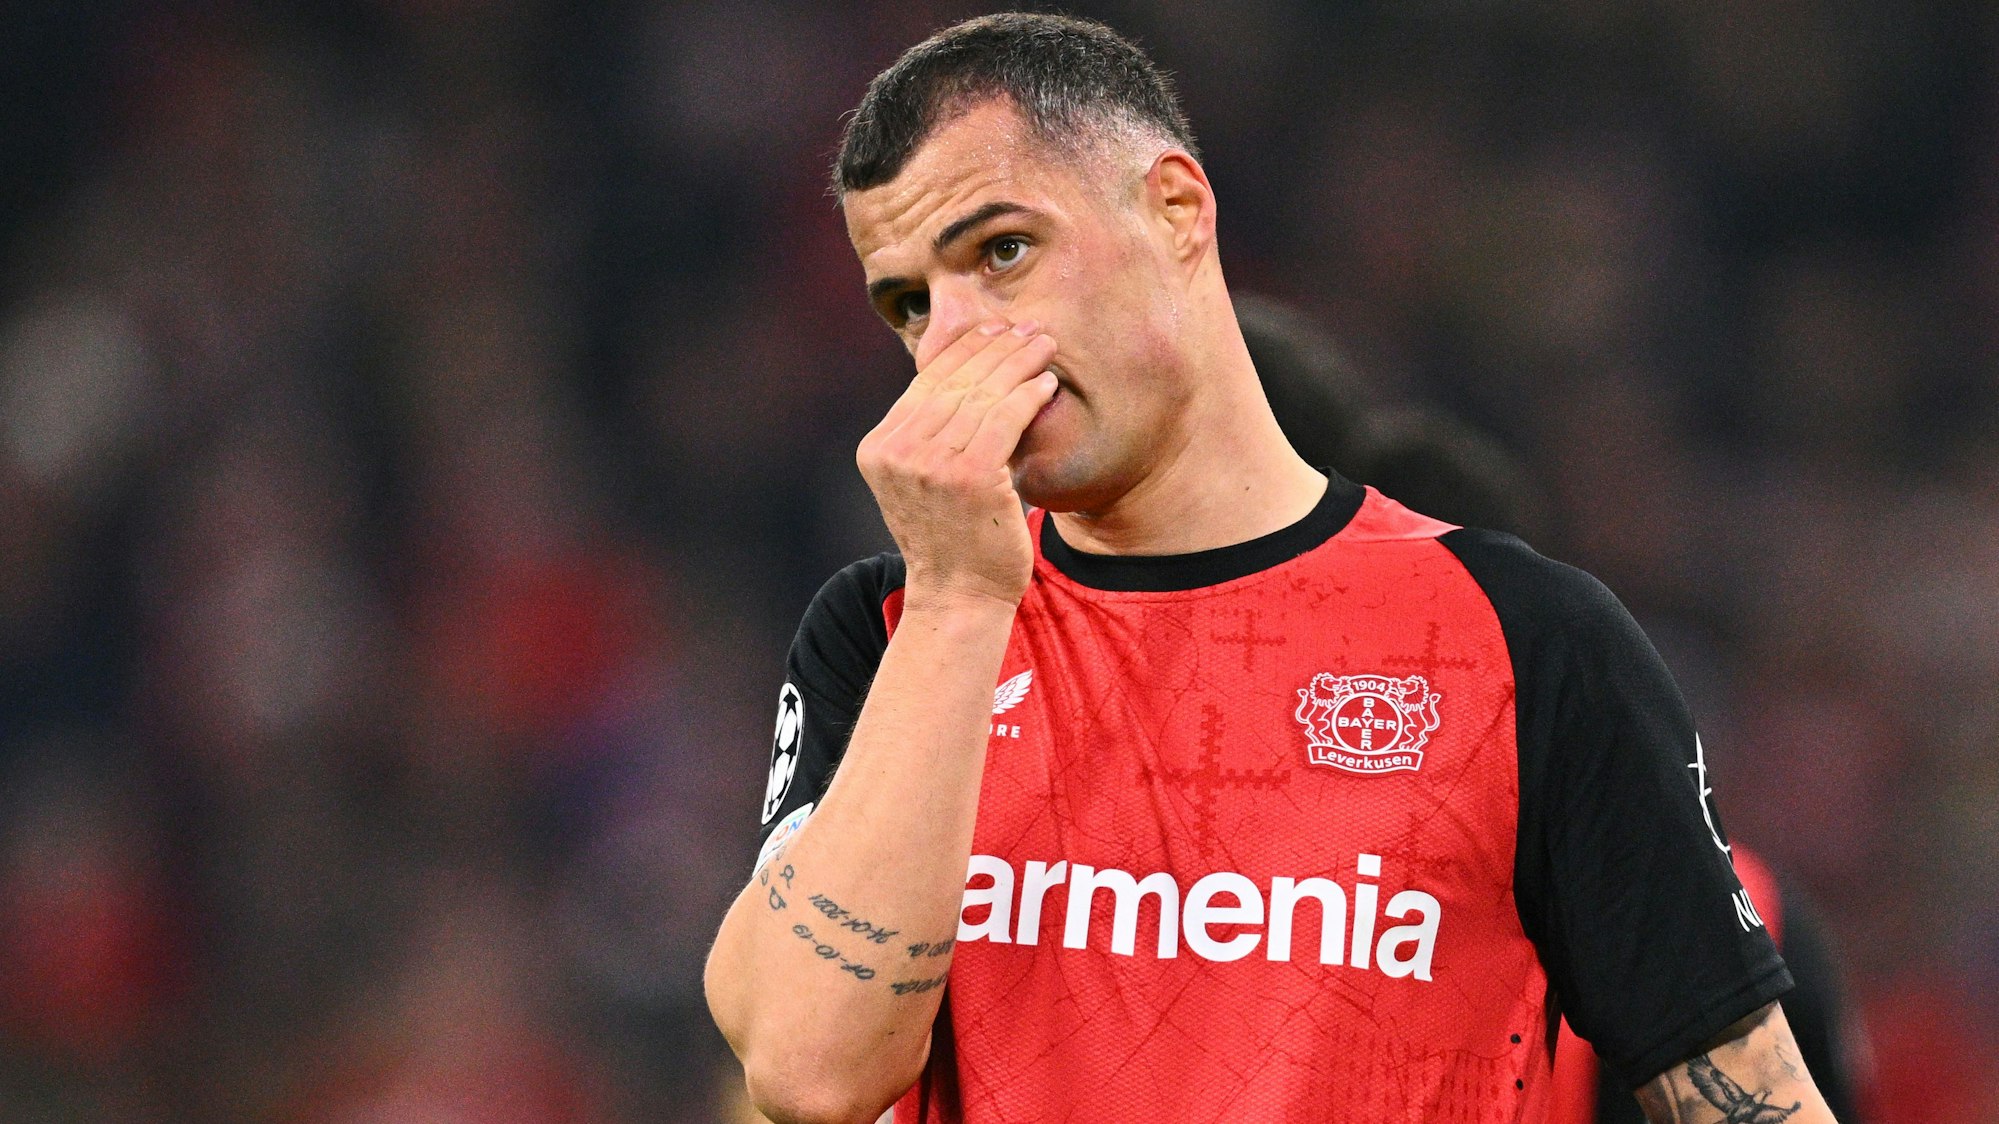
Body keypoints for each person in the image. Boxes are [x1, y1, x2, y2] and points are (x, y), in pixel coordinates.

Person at [703, 13, 1839, 1123]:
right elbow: (810, 1074)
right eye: (908, 303)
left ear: (1176, 210)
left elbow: (1748, 1095)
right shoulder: (890, 629)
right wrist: (958, 600)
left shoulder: (1522, 639)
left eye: (1002, 250)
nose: (952, 339)